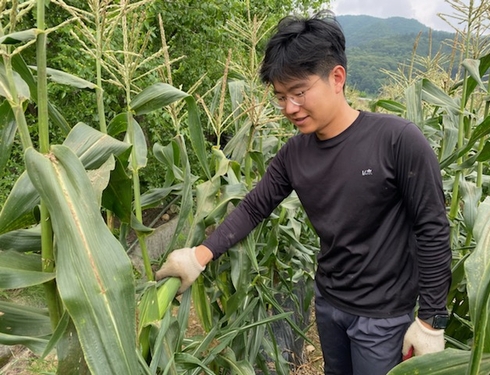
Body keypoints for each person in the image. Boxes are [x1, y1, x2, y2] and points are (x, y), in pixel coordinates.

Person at [155, 10, 452, 375]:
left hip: (384, 317)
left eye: (299, 92)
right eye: (281, 97)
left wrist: (431, 321)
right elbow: (254, 207)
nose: (289, 108)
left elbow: (433, 227)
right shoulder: (294, 155)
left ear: (337, 78)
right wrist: (198, 256)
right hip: (329, 304)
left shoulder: (397, 140)